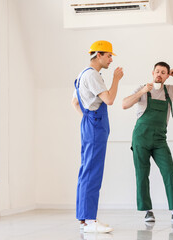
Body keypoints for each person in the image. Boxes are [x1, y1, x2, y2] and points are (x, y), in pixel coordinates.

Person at [122, 61, 173, 223]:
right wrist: (142, 91)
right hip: (141, 138)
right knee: (142, 174)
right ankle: (147, 211)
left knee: (169, 172)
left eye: (164, 72)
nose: (159, 74)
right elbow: (124, 104)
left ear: (167, 75)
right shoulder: (143, 89)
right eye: (157, 71)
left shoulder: (170, 90)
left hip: (159, 140)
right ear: (152, 72)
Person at [71, 40, 124, 233]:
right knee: (93, 171)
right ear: (99, 55)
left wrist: (88, 119)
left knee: (87, 169)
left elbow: (75, 103)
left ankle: (85, 219)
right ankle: (90, 221)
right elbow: (109, 99)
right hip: (95, 124)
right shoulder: (93, 75)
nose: (111, 59)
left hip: (89, 122)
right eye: (109, 55)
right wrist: (117, 79)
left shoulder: (82, 74)